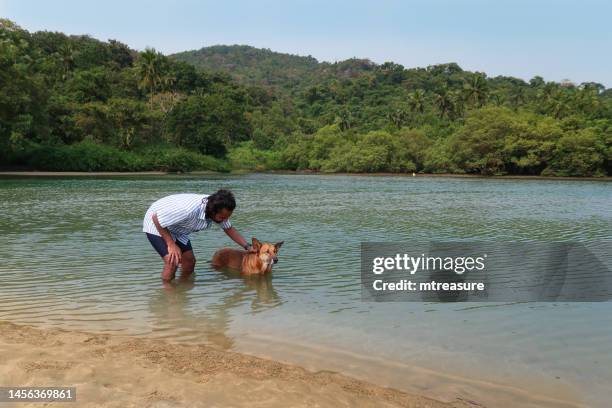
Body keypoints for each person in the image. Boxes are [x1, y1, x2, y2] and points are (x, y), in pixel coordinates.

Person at [143, 189, 253, 281]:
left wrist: (247, 246)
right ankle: (168, 295)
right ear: (212, 210)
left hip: (178, 228)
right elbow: (156, 218)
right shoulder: (188, 210)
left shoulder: (219, 209)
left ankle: (182, 289)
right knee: (172, 261)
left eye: (227, 217)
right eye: (222, 217)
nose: (225, 220)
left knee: (190, 261)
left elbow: (229, 228)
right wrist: (171, 244)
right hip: (157, 224)